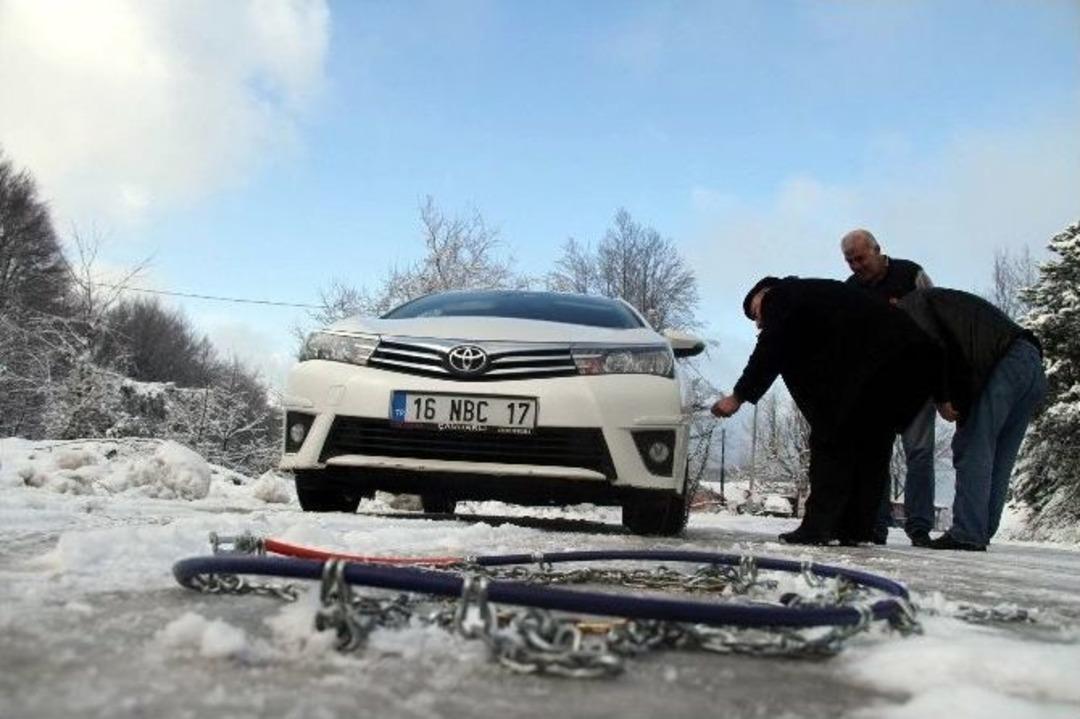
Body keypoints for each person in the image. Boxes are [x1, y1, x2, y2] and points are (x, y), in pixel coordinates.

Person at [712, 276, 938, 545]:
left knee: (831, 442)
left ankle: (817, 529)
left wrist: (738, 396)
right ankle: (855, 530)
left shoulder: (781, 295)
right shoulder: (820, 297)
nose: (759, 323)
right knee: (870, 447)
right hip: (908, 365)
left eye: (755, 312)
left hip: (874, 369)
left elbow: (771, 346)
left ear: (764, 292)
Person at [897, 288, 1046, 551]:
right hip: (1031, 364)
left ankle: (968, 532)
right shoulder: (946, 306)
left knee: (973, 447)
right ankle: (980, 528)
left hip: (1005, 363)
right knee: (1000, 454)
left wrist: (943, 398)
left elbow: (938, 348)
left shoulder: (912, 304)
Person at [841, 228, 936, 547]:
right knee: (873, 456)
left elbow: (938, 319)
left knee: (919, 453)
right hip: (875, 386)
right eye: (849, 260)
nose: (856, 266)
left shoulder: (911, 274)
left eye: (860, 258)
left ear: (878, 250)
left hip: (918, 379)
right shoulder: (851, 289)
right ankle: (874, 524)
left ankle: (920, 527)